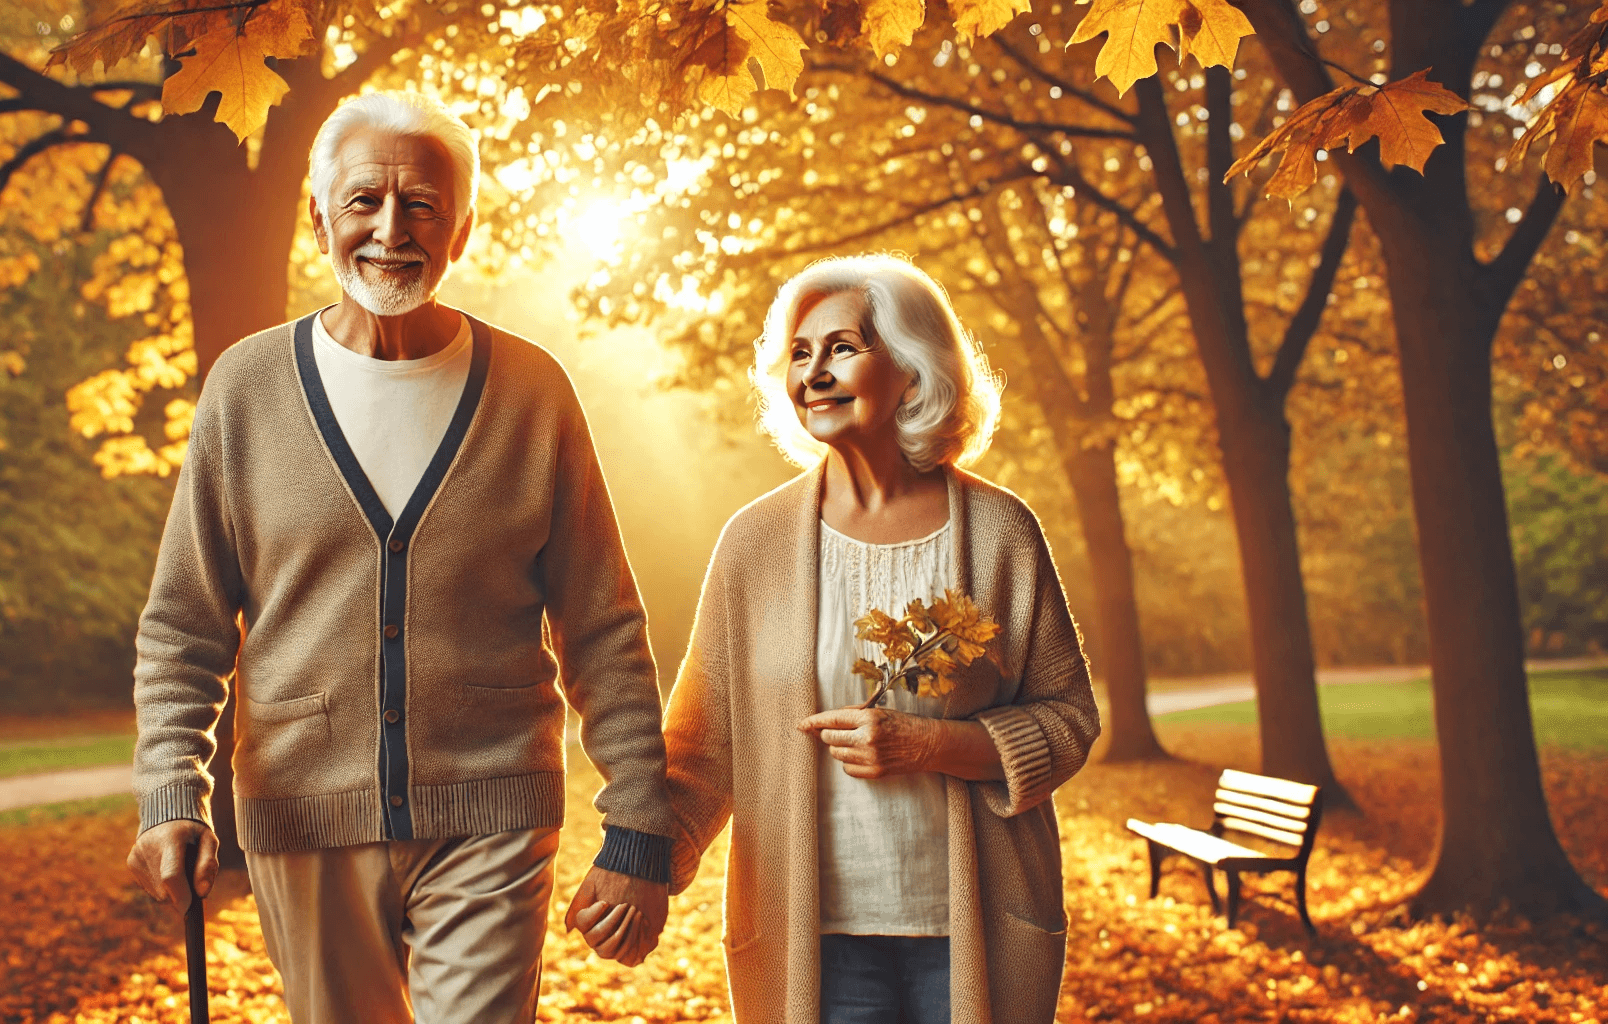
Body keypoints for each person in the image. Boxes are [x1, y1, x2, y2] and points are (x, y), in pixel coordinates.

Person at [123, 88, 674, 1024]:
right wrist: (173, 787)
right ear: (318, 219)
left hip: (493, 806)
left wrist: (640, 823)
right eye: (363, 202)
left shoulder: (532, 392)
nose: (390, 228)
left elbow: (603, 623)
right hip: (304, 811)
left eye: (420, 204)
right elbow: (184, 621)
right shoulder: (247, 388)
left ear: (460, 229)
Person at [652, 254, 1102, 1024]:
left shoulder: (999, 533)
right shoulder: (753, 544)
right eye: (800, 353)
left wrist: (932, 747)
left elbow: (1067, 717)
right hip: (816, 943)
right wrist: (640, 863)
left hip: (971, 931)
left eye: (843, 347)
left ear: (912, 367)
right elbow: (700, 750)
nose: (814, 373)